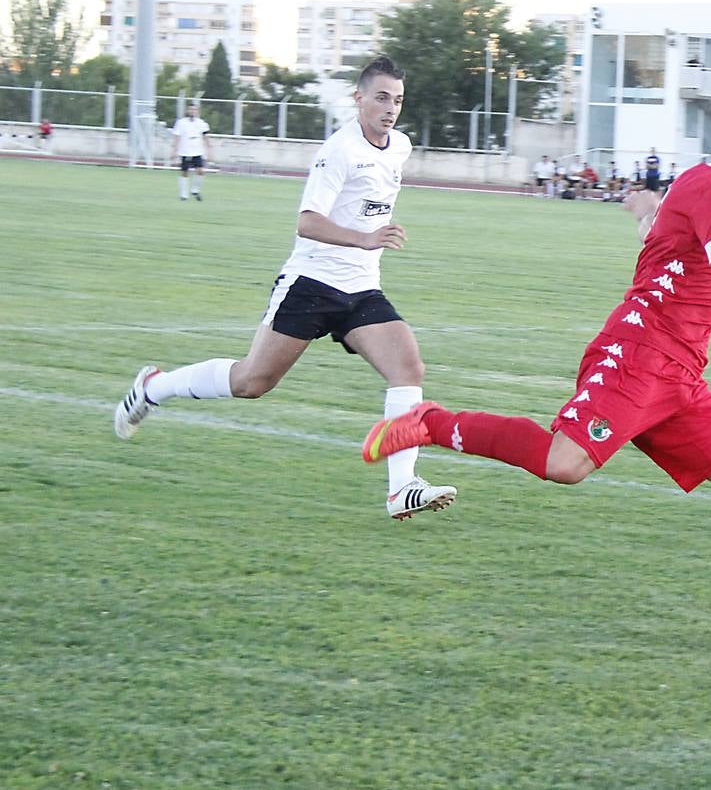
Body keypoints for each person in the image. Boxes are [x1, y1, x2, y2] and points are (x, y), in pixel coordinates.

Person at [361, 93, 711, 667]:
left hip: (681, 381)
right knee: (565, 465)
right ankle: (429, 423)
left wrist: (645, 209)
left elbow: (670, 244)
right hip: (638, 357)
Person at [113, 55, 455, 521]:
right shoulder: (339, 150)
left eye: (397, 100)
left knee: (408, 366)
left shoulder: (400, 146)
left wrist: (367, 242)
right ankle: (156, 387)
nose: (390, 108)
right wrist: (365, 237)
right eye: (380, 97)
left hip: (361, 289)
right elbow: (307, 221)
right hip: (311, 285)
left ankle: (401, 488)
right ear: (358, 98)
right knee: (252, 382)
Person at [172, 103, 213, 201]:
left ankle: (195, 190)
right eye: (191, 109)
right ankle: (183, 195)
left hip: (197, 151)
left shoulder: (202, 123)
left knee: (201, 171)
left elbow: (206, 138)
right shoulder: (181, 123)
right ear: (187, 111)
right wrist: (174, 150)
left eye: (194, 110)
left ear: (197, 111)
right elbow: (177, 137)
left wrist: (210, 151)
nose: (192, 111)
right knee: (184, 172)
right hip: (185, 151)